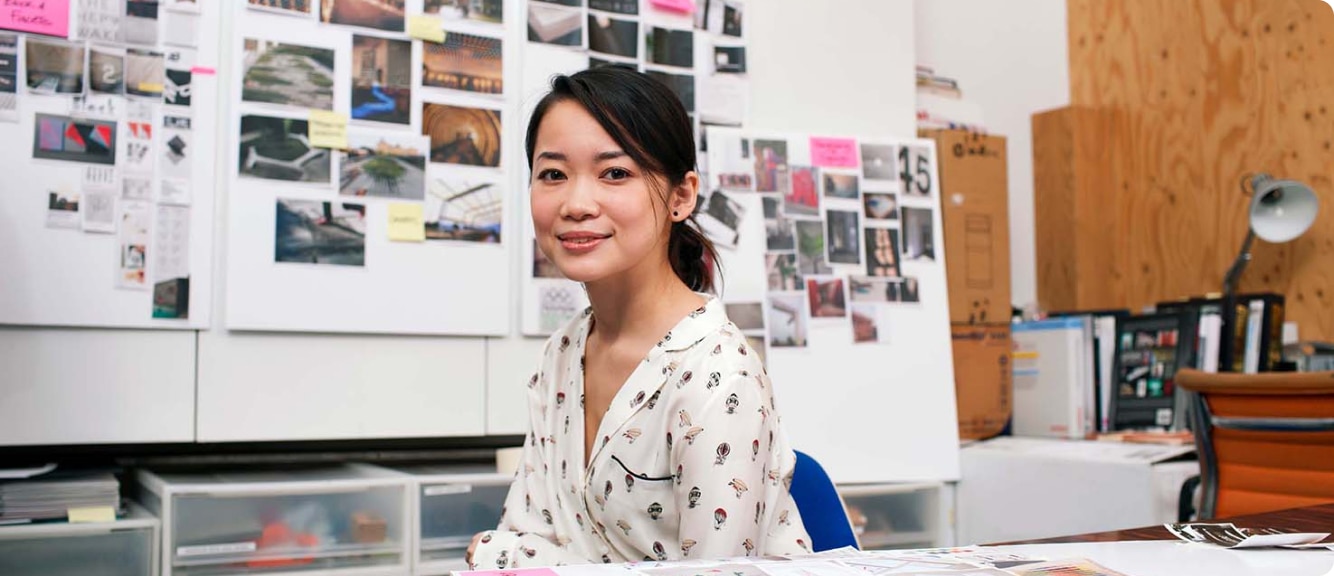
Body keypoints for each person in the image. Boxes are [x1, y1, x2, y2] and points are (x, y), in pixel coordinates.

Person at [467, 65, 811, 569]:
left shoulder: (718, 376)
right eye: (553, 174)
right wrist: (516, 552)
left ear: (681, 196)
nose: (577, 203)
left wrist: (509, 554)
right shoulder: (564, 351)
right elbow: (525, 533)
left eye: (615, 173)